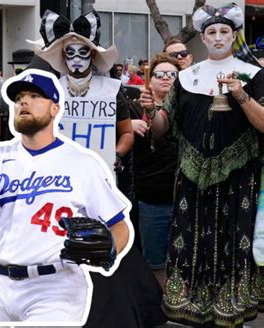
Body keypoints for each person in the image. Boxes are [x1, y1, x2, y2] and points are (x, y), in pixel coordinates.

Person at [0, 68, 131, 324]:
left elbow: (119, 225)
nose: (24, 101)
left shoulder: (82, 164)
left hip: (55, 287)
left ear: (55, 109)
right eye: (20, 97)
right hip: (0, 286)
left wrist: (111, 247)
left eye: (35, 96)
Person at [35, 9, 166, 328]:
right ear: (62, 57)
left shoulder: (111, 90)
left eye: (83, 52)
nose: (77, 59)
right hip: (58, 185)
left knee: (105, 242)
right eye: (70, 53)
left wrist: (115, 155)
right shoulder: (48, 92)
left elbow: (125, 133)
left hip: (101, 182)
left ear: (93, 56)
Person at [141, 4, 264, 326]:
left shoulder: (253, 75)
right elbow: (163, 128)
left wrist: (241, 96)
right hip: (191, 180)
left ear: (235, 36)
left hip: (238, 180)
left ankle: (232, 309)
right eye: (212, 32)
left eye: (225, 32)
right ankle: (192, 311)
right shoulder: (185, 77)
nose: (218, 37)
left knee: (234, 244)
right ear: (203, 38)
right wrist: (153, 111)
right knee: (190, 244)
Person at [130, 53, 180, 290]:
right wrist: (127, 125)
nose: (166, 79)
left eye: (172, 74)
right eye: (159, 74)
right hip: (150, 197)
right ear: (149, 80)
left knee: (184, 257)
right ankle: (164, 304)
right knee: (155, 260)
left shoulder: (187, 107)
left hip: (184, 198)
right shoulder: (133, 107)